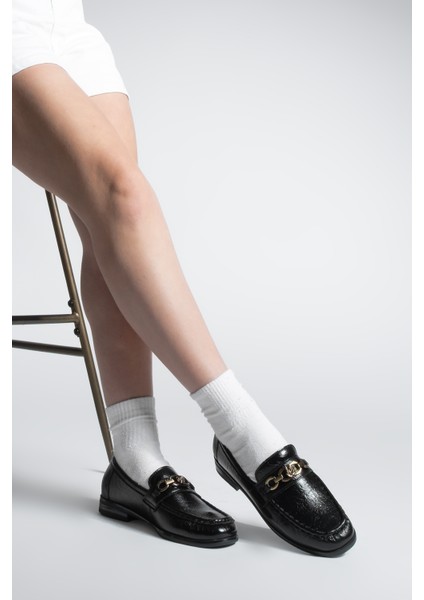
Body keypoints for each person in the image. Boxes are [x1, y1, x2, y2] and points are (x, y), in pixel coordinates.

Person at [12, 0, 356, 555]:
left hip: (66, 27)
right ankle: (243, 432)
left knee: (107, 228)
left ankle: (134, 461)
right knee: (124, 197)